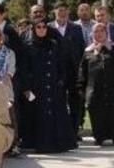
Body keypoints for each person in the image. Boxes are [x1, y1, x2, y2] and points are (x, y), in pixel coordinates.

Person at [18, 19, 76, 153]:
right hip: (36, 89)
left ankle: (59, 144)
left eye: (44, 27)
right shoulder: (28, 47)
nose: (41, 29)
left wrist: (61, 80)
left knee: (56, 115)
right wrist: (26, 88)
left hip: (53, 87)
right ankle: (39, 144)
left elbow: (61, 64)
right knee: (38, 116)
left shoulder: (54, 45)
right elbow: (24, 69)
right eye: (38, 27)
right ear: (33, 29)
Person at [50, 2, 86, 138]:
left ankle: (73, 131)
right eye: (59, 10)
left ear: (68, 12)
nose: (62, 13)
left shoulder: (76, 28)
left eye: (64, 10)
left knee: (75, 102)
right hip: (55, 72)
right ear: (54, 12)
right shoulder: (48, 27)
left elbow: (81, 49)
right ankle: (59, 130)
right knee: (58, 102)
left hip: (73, 72)